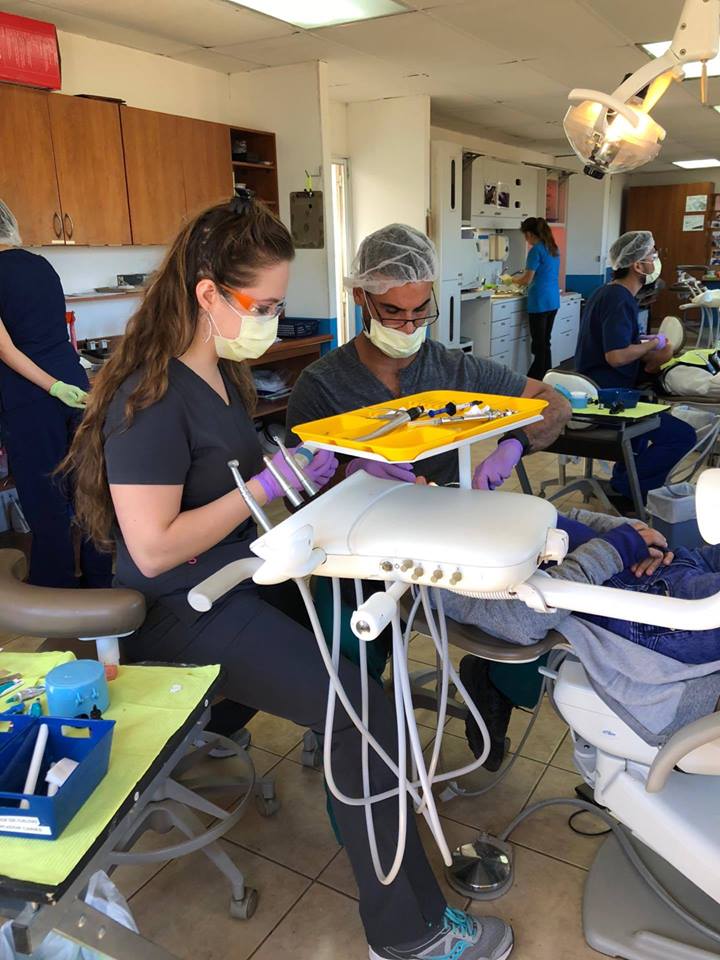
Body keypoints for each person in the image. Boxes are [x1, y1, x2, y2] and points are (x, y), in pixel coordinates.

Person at [62, 196, 514, 960]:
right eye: (263, 305)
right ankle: (409, 935)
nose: (273, 317)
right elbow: (155, 547)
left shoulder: (217, 377)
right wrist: (264, 488)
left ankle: (374, 806)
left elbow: (242, 491)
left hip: (240, 577)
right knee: (364, 715)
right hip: (185, 610)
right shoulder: (151, 393)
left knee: (361, 632)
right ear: (207, 295)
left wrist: (327, 475)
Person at [287, 223, 570, 492]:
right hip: (358, 533)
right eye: (393, 312)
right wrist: (350, 475)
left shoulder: (455, 369)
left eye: (420, 309)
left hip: (442, 523)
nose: (410, 326)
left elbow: (554, 401)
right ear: (360, 295)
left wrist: (516, 443)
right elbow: (293, 497)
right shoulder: (320, 385)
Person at [443, 506, 720, 763]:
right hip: (649, 602)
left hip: (675, 564)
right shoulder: (433, 569)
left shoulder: (462, 499)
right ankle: (495, 679)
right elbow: (518, 621)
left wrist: (640, 535)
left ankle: (496, 679)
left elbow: (565, 517)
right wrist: (615, 548)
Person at [0, 200, 111, 588]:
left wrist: (52, 388)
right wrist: (66, 385)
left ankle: (57, 593)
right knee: (89, 488)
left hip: (34, 396)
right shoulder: (41, 265)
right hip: (73, 385)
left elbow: (6, 350)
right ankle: (100, 581)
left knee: (46, 501)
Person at [574, 230, 696, 504]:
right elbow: (616, 356)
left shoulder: (608, 293)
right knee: (682, 437)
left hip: (607, 390)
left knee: (645, 425)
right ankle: (628, 490)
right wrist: (653, 347)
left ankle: (624, 484)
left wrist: (644, 341)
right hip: (606, 399)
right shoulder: (618, 298)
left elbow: (617, 341)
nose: (656, 259)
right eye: (652, 255)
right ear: (637, 265)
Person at [513, 217, 560, 379]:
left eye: (525, 235)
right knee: (545, 343)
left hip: (539, 302)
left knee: (539, 346)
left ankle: (533, 379)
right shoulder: (552, 248)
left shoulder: (535, 251)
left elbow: (527, 279)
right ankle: (548, 377)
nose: (526, 239)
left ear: (530, 234)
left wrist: (510, 279)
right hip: (553, 301)